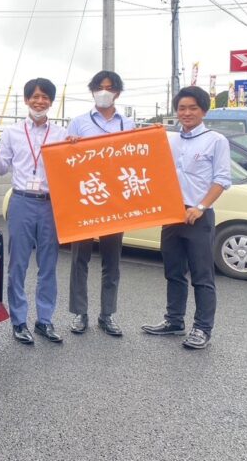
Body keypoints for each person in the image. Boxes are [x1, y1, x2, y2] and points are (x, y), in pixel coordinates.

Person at [0, 78, 67, 344]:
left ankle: (45, 321)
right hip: (22, 201)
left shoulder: (61, 133)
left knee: (48, 264)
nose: (40, 102)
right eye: (35, 97)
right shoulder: (12, 132)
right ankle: (19, 321)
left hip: (50, 203)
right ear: (26, 100)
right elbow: (3, 169)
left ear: (51, 102)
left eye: (45, 97)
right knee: (18, 264)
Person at [141, 86, 231, 349]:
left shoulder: (216, 140)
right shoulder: (169, 139)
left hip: (198, 216)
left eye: (193, 108)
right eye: (182, 108)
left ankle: (202, 328)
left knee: (202, 276)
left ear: (203, 110)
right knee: (173, 272)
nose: (187, 112)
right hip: (171, 215)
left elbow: (222, 180)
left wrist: (201, 206)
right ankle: (174, 321)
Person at [66, 71, 135, 337]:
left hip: (114, 201)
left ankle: (107, 315)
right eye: (99, 87)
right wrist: (70, 145)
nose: (104, 92)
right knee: (79, 259)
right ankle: (79, 314)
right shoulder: (79, 123)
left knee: (112, 261)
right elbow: (65, 161)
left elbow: (134, 159)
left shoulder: (127, 124)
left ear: (117, 92)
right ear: (92, 91)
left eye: (109, 88)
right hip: (85, 198)